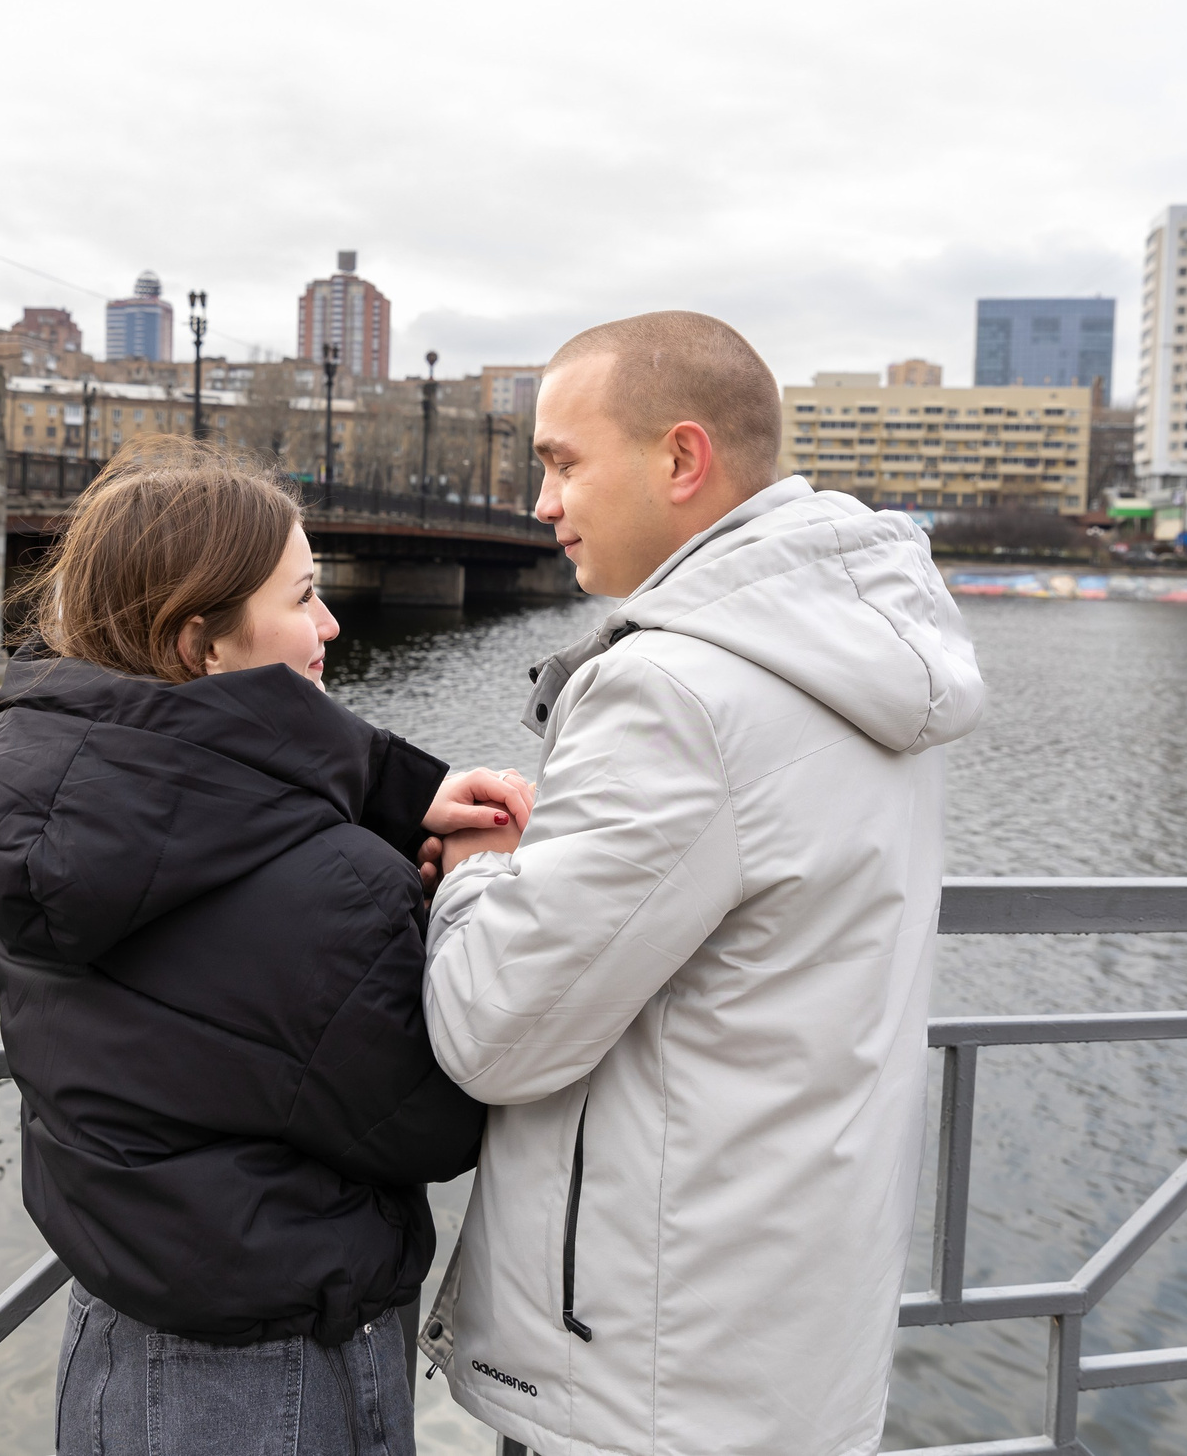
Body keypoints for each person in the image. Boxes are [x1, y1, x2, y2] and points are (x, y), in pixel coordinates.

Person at [416, 312, 986, 1456]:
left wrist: (475, 878)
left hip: (643, 1367)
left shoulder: (677, 694)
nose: (541, 504)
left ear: (680, 460)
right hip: (783, 1338)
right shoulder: (858, 651)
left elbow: (494, 1030)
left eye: (562, 463)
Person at [0, 437, 533, 1456]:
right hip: (278, 1370)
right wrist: (461, 891)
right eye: (303, 597)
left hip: (117, 1331)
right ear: (199, 645)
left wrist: (392, 790)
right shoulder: (329, 889)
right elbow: (437, 1125)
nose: (330, 623)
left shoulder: (26, 794)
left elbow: (208, 772)